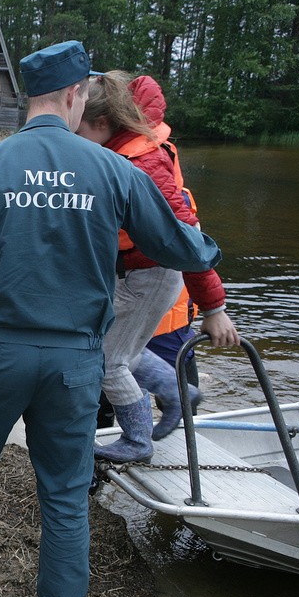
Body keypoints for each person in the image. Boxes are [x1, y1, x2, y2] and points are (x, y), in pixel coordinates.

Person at [0, 40, 223, 597]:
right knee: (62, 487)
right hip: (75, 358)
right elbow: (178, 244)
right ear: (75, 94)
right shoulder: (113, 168)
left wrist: (0, 272)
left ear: (30, 96)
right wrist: (211, 266)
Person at [76, 71, 239, 457]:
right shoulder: (116, 148)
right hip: (133, 273)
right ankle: (177, 391)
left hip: (149, 277)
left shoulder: (144, 165)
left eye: (77, 132)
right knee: (112, 344)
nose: (73, 142)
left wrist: (215, 308)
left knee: (104, 360)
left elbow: (187, 241)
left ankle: (137, 438)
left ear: (102, 123)